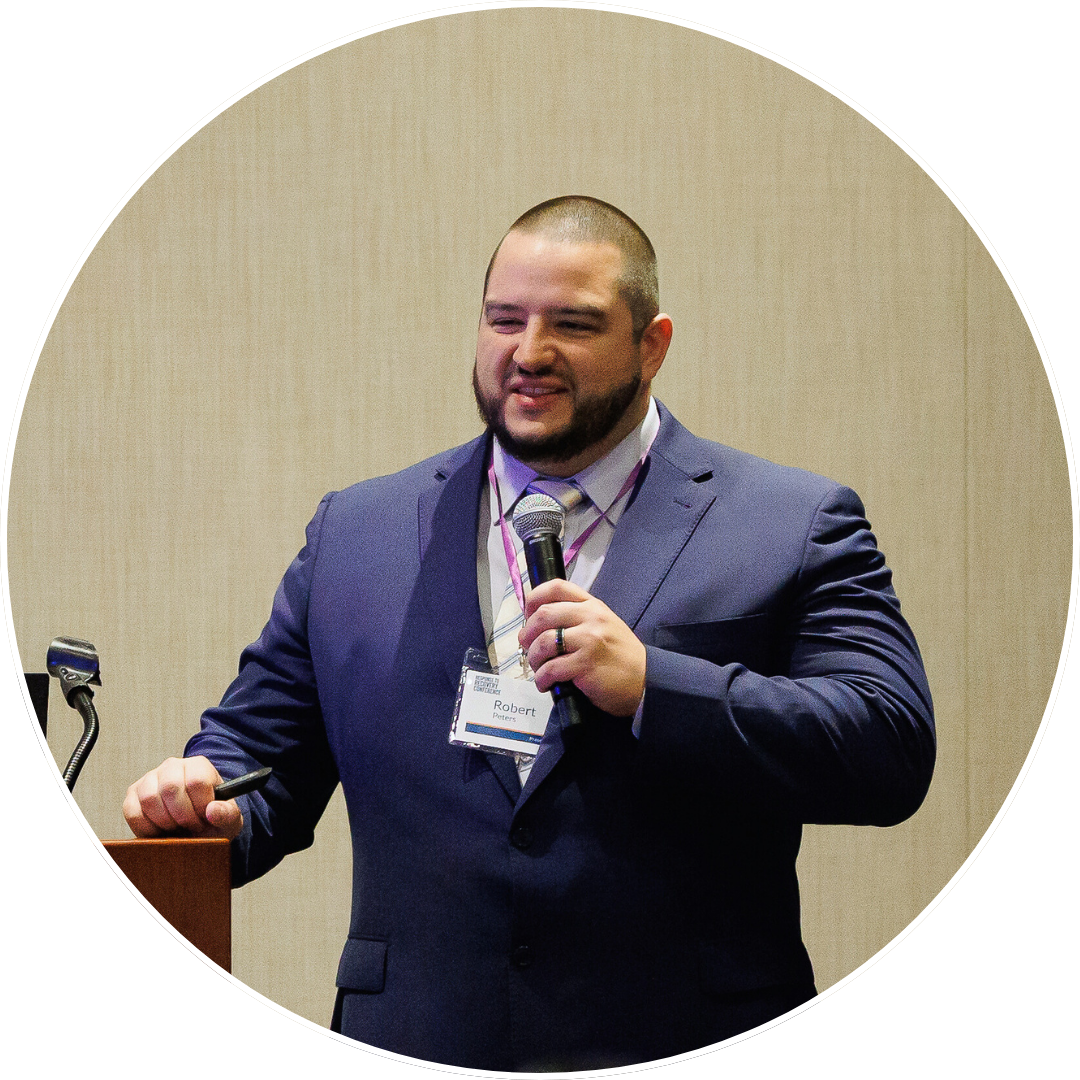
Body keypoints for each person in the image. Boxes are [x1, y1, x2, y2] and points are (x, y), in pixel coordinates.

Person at [123, 196, 935, 1072]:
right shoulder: (358, 532)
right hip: (416, 1043)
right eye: (504, 319)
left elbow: (886, 743)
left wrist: (656, 685)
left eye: (574, 324)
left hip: (690, 1039)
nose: (530, 352)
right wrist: (212, 799)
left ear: (651, 344)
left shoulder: (790, 522)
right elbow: (260, 752)